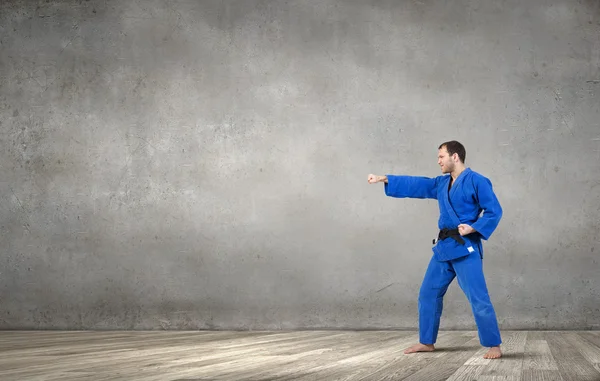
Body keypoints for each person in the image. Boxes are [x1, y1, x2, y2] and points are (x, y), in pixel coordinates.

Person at [367, 140, 503, 359]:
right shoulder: (441, 183)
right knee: (428, 293)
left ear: (455, 156)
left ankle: (494, 344)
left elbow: (493, 211)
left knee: (478, 297)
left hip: (465, 246)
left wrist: (473, 227)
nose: (438, 160)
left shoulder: (478, 181)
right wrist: (385, 178)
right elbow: (418, 185)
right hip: (444, 248)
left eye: (441, 156)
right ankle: (426, 342)